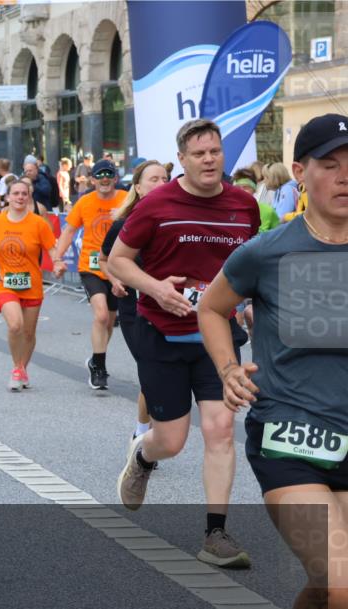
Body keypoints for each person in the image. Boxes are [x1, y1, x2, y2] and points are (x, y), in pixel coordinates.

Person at [198, 113, 348, 609]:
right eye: (329, 165)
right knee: (344, 584)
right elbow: (211, 307)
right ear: (299, 174)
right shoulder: (268, 250)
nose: (343, 177)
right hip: (292, 436)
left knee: (330, 587)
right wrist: (228, 368)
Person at [109, 118, 260, 567]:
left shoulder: (244, 205)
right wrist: (156, 288)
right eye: (199, 153)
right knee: (171, 440)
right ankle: (142, 456)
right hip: (163, 335)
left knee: (219, 432)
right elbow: (117, 261)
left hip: (219, 339)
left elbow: (247, 266)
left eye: (215, 151)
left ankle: (216, 534)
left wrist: (249, 301)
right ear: (183, 160)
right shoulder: (156, 205)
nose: (210, 159)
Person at [99, 160, 169, 444]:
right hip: (135, 309)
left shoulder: (176, 223)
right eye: (154, 179)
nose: (161, 183)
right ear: (138, 188)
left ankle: (148, 428)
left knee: (161, 373)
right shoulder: (123, 225)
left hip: (171, 308)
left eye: (165, 178)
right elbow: (104, 260)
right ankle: (143, 430)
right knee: (151, 369)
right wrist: (115, 280)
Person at [0, 178, 66, 390]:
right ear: (8, 196)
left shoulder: (38, 224)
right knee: (15, 325)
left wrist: (57, 263)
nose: (20, 197)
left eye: (24, 194)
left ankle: (21, 369)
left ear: (29, 197)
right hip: (4, 282)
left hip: (31, 284)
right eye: (16, 193)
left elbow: (52, 248)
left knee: (29, 333)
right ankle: (17, 368)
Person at [53, 158, 127, 389]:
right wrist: (57, 257)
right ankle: (99, 367)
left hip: (119, 267)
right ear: (92, 179)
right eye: (100, 175)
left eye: (109, 174)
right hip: (91, 267)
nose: (105, 178)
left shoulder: (126, 200)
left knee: (110, 320)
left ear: (115, 178)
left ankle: (96, 357)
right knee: (102, 316)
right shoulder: (85, 202)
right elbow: (70, 230)